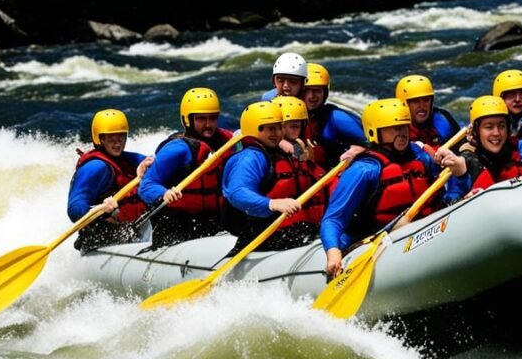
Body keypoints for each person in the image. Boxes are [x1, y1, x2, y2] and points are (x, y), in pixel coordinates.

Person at [320, 98, 470, 280]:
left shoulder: (422, 157)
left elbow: (448, 197)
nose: (402, 133)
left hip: (425, 231)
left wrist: (460, 174)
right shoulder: (364, 170)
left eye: (404, 127)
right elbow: (333, 219)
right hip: (379, 239)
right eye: (394, 128)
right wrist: (333, 251)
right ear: (375, 132)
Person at [221, 100, 328, 251]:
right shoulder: (250, 157)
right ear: (254, 129)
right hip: (260, 238)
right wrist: (271, 204)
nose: (276, 133)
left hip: (297, 233)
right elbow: (237, 191)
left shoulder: (286, 153)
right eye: (270, 129)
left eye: (278, 128)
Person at [139, 87, 235, 248]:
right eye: (201, 119)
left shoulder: (227, 141)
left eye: (212, 118)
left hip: (213, 220)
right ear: (187, 120)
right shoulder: (177, 149)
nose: (208, 124)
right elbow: (146, 186)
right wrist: (164, 193)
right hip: (177, 224)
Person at [67, 109, 153, 252]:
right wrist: (99, 210)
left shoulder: (126, 159)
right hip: (101, 239)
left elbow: (158, 163)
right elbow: (74, 208)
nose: (117, 143)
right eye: (111, 137)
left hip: (131, 229)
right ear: (100, 139)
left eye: (121, 137)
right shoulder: (95, 167)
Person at [301, 62, 368, 170]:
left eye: (316, 91)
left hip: (334, 172)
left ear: (325, 93)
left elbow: (370, 143)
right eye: (305, 91)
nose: (310, 96)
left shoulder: (337, 117)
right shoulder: (290, 115)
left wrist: (356, 150)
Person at [394, 74, 460, 147]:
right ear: (404, 104)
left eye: (426, 100)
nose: (422, 106)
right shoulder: (393, 130)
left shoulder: (443, 119)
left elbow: (462, 146)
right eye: (416, 101)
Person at [272, 95, 310, 162]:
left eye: (298, 126)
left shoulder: (299, 143)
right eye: (293, 126)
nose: (297, 130)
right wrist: (279, 143)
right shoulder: (272, 144)